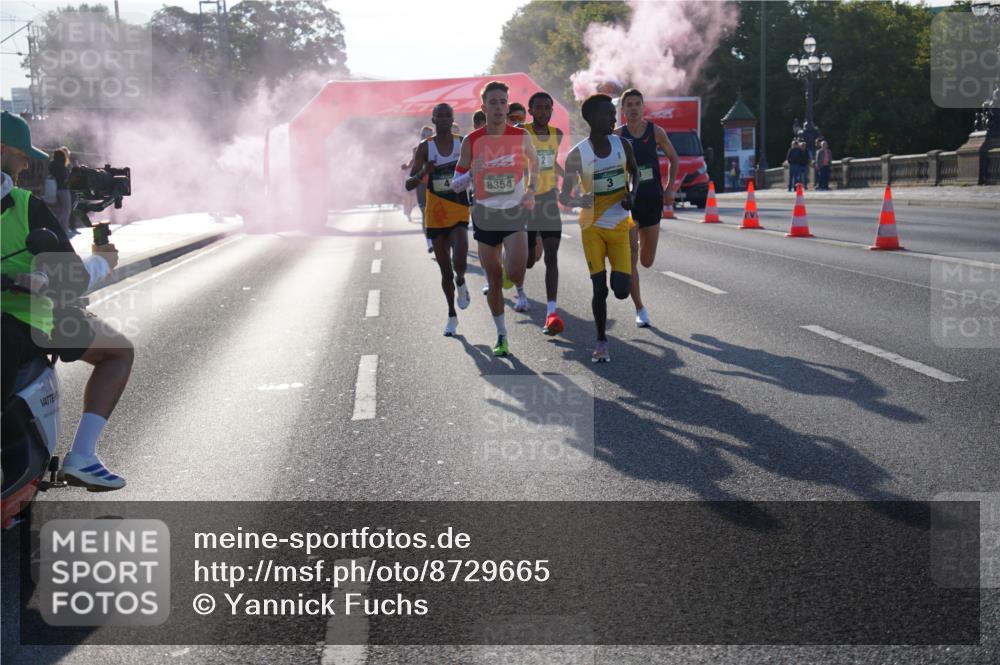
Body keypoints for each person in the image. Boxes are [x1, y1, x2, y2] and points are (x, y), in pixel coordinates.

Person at [1, 110, 132, 491]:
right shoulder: (25, 205)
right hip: (30, 320)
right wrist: (102, 262)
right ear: (3, 151)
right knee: (119, 352)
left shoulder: (28, 204)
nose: (27, 162)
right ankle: (83, 457)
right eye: (22, 154)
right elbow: (71, 279)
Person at [451, 81, 538, 357]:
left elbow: (535, 164)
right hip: (485, 214)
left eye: (503, 102)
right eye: (494, 102)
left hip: (513, 211)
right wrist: (470, 173)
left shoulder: (521, 136)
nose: (499, 107)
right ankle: (502, 335)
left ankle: (509, 270)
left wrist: (532, 191)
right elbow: (455, 184)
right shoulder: (472, 141)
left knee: (515, 271)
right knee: (494, 281)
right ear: (484, 107)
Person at [560, 94, 638, 363]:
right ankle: (601, 341)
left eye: (613, 113)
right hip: (591, 226)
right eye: (608, 114)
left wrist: (632, 195)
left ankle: (604, 333)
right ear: (591, 118)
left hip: (618, 225)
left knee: (621, 290)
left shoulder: (623, 145)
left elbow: (636, 174)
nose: (614, 118)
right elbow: (564, 197)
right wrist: (577, 200)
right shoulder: (576, 155)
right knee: (599, 289)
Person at [615, 88, 678, 329]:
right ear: (623, 110)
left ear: (643, 107)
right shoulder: (617, 136)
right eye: (628, 105)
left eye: (636, 104)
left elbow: (674, 158)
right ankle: (640, 308)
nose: (632, 108)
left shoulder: (656, 132)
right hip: (628, 202)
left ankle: (640, 243)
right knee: (631, 257)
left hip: (652, 198)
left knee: (647, 260)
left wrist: (670, 187)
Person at [407, 103, 471, 336]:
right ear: (433, 119)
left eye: (448, 116)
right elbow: (409, 183)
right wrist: (425, 170)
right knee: (445, 272)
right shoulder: (425, 147)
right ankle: (451, 315)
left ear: (453, 119)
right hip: (435, 214)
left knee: (460, 261)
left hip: (459, 209)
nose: (444, 119)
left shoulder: (462, 142)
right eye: (440, 116)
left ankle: (462, 281)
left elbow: (476, 169)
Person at [524, 91, 566, 333]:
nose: (543, 112)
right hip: (527, 201)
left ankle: (551, 312)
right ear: (531, 111)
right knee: (529, 262)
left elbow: (551, 163)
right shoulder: (522, 133)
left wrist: (569, 177)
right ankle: (515, 266)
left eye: (547, 108)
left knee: (551, 256)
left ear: (552, 110)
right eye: (538, 108)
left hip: (548, 199)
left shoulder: (556, 135)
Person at [401, 126, 435, 251]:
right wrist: (405, 166)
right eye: (424, 135)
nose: (426, 137)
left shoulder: (440, 146)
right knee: (425, 213)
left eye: (429, 134)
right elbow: (411, 162)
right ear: (421, 136)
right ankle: (429, 242)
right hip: (422, 185)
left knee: (438, 213)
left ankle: (441, 239)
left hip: (437, 184)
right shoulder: (417, 149)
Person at [49, 147, 73, 237]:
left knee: (59, 211)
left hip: (54, 190)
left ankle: (56, 229)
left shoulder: (52, 165)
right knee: (66, 210)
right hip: (64, 190)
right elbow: (67, 179)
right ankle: (64, 230)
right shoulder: (63, 168)